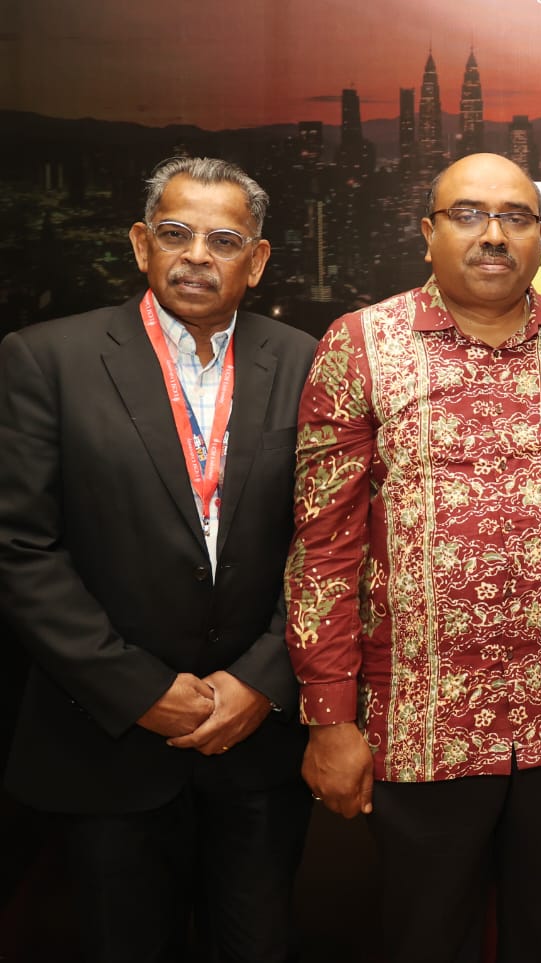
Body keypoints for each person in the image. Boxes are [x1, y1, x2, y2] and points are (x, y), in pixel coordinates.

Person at [286, 152, 541, 963]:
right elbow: (323, 546)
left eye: (515, 217)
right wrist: (329, 716)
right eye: (468, 214)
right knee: (428, 942)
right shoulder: (359, 345)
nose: (492, 234)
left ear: (540, 237)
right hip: (419, 730)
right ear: (427, 233)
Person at [0, 156, 316, 962]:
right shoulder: (46, 358)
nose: (197, 256)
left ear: (258, 259)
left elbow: (330, 542)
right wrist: (139, 689)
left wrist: (263, 678)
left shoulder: (309, 361)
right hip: (107, 746)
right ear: (142, 244)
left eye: (224, 240)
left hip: (258, 747)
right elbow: (21, 548)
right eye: (176, 234)